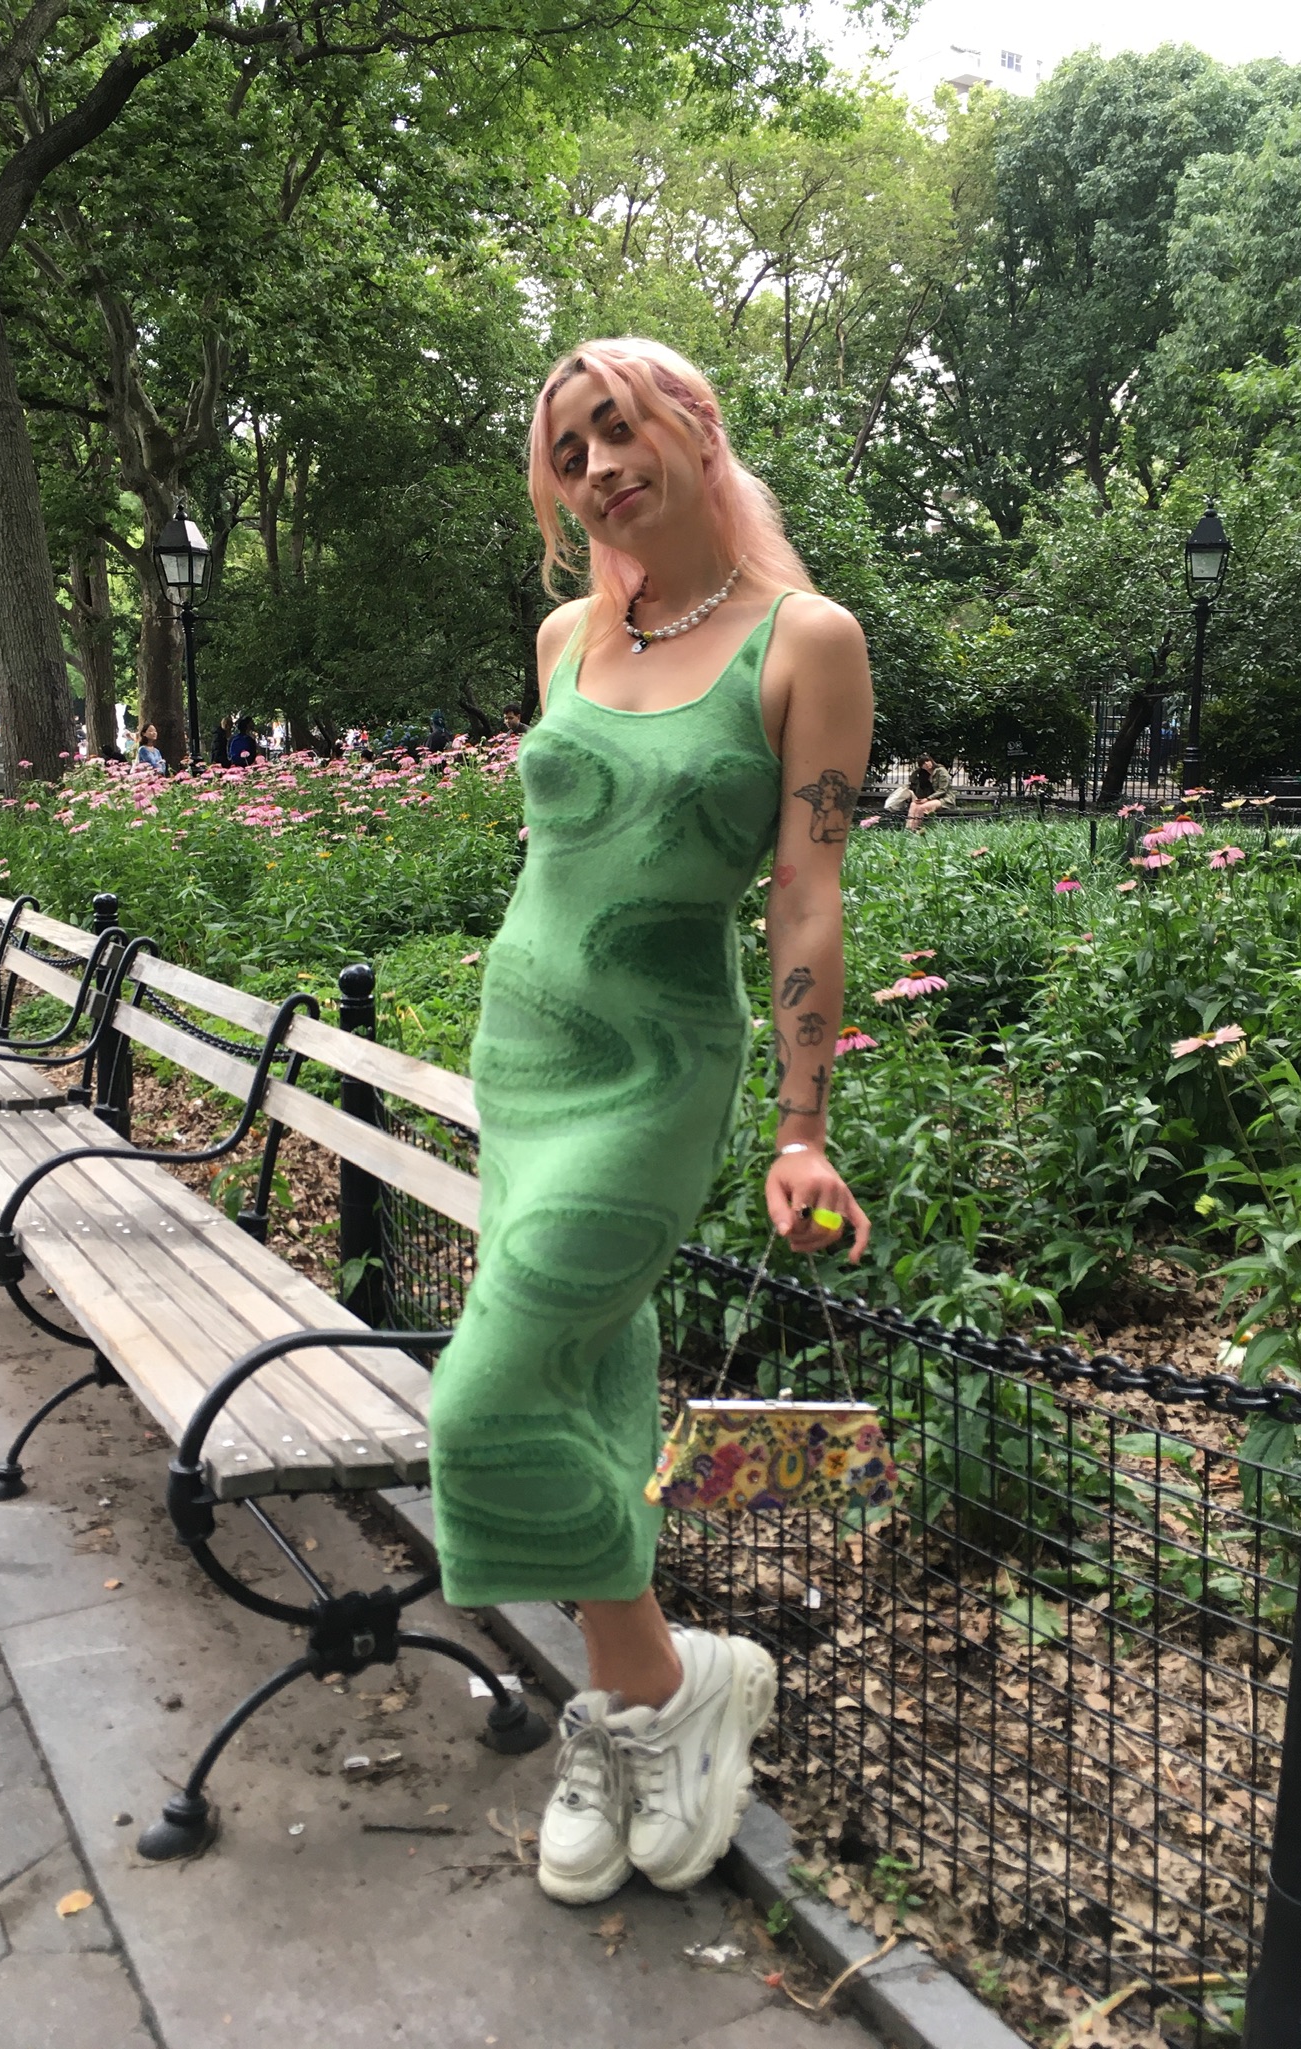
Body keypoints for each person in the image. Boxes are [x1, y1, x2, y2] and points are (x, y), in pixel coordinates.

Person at [427, 336, 873, 1910]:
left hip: (653, 1074)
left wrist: (802, 1127)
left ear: (691, 430)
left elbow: (807, 894)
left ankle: (668, 1685)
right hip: (521, 1057)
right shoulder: (566, 634)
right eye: (568, 451)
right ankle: (632, 1715)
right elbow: (559, 848)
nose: (598, 467)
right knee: (585, 1383)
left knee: (480, 1398)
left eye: (618, 431)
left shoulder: (802, 640)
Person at [882, 751, 953, 830]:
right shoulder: (924, 775)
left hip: (944, 799)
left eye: (927, 761)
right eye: (923, 763)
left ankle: (915, 829)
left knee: (921, 808)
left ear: (931, 761)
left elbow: (942, 790)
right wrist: (918, 770)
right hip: (930, 799)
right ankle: (908, 829)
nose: (926, 764)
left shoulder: (941, 771)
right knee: (913, 804)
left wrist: (927, 799)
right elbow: (912, 779)